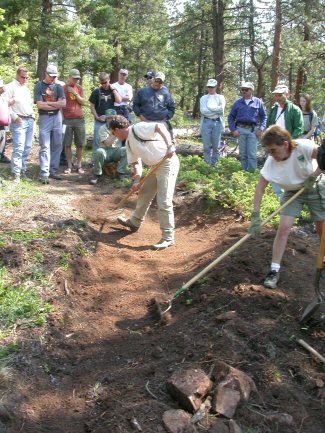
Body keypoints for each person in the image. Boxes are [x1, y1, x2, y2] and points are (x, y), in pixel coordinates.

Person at [248, 125, 325, 289]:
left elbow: (323, 158)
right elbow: (260, 188)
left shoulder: (303, 146)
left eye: (273, 150)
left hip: (314, 187)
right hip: (292, 193)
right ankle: (274, 270)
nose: (271, 154)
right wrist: (255, 215)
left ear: (285, 144)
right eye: (268, 151)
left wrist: (315, 174)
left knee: (321, 227)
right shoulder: (271, 162)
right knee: (283, 228)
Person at [110, 115, 179, 250]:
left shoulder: (138, 128)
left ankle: (168, 237)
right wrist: (136, 180)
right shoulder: (128, 143)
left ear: (117, 129)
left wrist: (169, 145)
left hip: (167, 162)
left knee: (164, 201)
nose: (115, 136)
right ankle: (135, 222)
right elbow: (136, 163)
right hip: (154, 166)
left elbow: (160, 127)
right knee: (144, 192)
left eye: (113, 133)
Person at [34, 65, 66, 184]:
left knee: (57, 144)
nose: (53, 78)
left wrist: (49, 104)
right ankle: (44, 172)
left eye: (55, 76)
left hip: (57, 117)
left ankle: (53, 170)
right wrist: (55, 104)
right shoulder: (39, 86)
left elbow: (63, 103)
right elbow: (40, 105)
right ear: (46, 74)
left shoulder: (58, 86)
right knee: (45, 146)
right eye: (51, 76)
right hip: (44, 117)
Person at [5, 66, 35, 183]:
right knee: (19, 147)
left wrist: (33, 117)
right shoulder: (10, 87)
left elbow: (29, 105)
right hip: (19, 120)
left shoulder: (26, 88)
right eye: (23, 77)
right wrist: (14, 117)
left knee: (27, 147)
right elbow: (4, 104)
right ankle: (16, 173)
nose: (25, 79)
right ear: (17, 75)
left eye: (27, 77)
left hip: (29, 119)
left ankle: (22, 170)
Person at [228, 81, 267, 171]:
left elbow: (264, 116)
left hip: (253, 130)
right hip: (240, 130)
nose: (244, 91)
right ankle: (244, 173)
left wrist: (261, 129)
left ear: (251, 91)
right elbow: (231, 117)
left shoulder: (258, 102)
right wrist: (233, 130)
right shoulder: (238, 103)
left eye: (246, 90)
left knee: (252, 154)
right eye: (242, 90)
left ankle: (252, 174)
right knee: (243, 154)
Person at [89, 72, 122, 162]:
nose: (104, 85)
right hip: (100, 119)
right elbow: (92, 106)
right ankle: (95, 161)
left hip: (111, 120)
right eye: (102, 83)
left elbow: (119, 100)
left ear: (109, 80)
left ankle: (110, 160)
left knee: (113, 140)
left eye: (105, 82)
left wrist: (113, 89)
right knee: (97, 140)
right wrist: (96, 117)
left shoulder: (113, 90)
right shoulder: (97, 91)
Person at [89, 109, 128, 185]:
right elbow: (107, 143)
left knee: (126, 150)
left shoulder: (120, 127)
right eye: (109, 118)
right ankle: (97, 174)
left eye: (112, 118)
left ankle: (121, 173)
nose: (110, 120)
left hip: (116, 150)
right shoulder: (102, 128)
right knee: (99, 151)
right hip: (105, 151)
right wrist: (114, 132)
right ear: (106, 119)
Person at [62, 68, 86, 174]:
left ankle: (79, 165)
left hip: (79, 119)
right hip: (67, 120)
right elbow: (60, 104)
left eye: (77, 79)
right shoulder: (62, 88)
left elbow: (83, 102)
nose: (76, 80)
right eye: (74, 78)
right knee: (67, 144)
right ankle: (69, 165)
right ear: (69, 77)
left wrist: (75, 93)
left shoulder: (79, 88)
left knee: (79, 144)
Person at [199, 78, 226, 166]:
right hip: (206, 122)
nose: (210, 89)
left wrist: (210, 108)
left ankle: (214, 165)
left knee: (216, 146)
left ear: (216, 87)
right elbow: (203, 111)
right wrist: (215, 109)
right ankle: (207, 164)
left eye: (212, 87)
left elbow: (221, 110)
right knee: (206, 146)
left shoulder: (220, 97)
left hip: (217, 123)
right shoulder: (203, 98)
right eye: (209, 87)